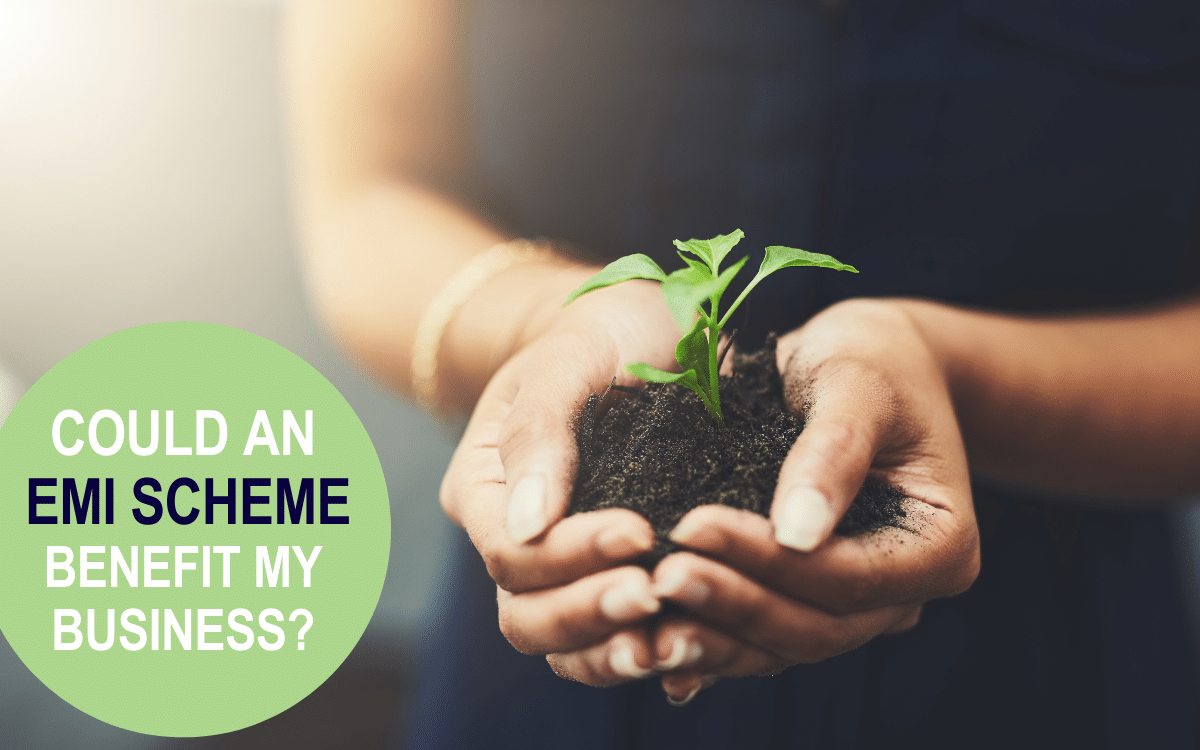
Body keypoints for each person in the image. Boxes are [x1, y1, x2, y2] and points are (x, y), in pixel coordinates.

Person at [286, 0, 1200, 746]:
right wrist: (537, 319)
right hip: (557, 659)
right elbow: (373, 191)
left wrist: (954, 376)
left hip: (1037, 671)